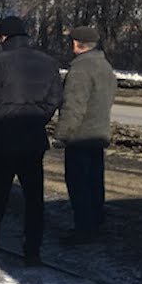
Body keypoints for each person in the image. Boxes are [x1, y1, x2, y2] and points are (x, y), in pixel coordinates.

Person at [0, 16, 63, 267]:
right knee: (34, 198)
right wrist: (37, 118)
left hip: (2, 140)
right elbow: (54, 97)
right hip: (33, 138)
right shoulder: (47, 62)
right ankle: (32, 251)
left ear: (4, 37)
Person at [54, 25, 117, 245]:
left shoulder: (80, 69)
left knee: (79, 184)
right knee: (94, 182)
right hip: (98, 133)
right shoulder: (105, 65)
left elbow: (73, 106)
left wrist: (62, 134)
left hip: (80, 136)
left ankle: (83, 229)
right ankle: (96, 221)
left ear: (76, 43)